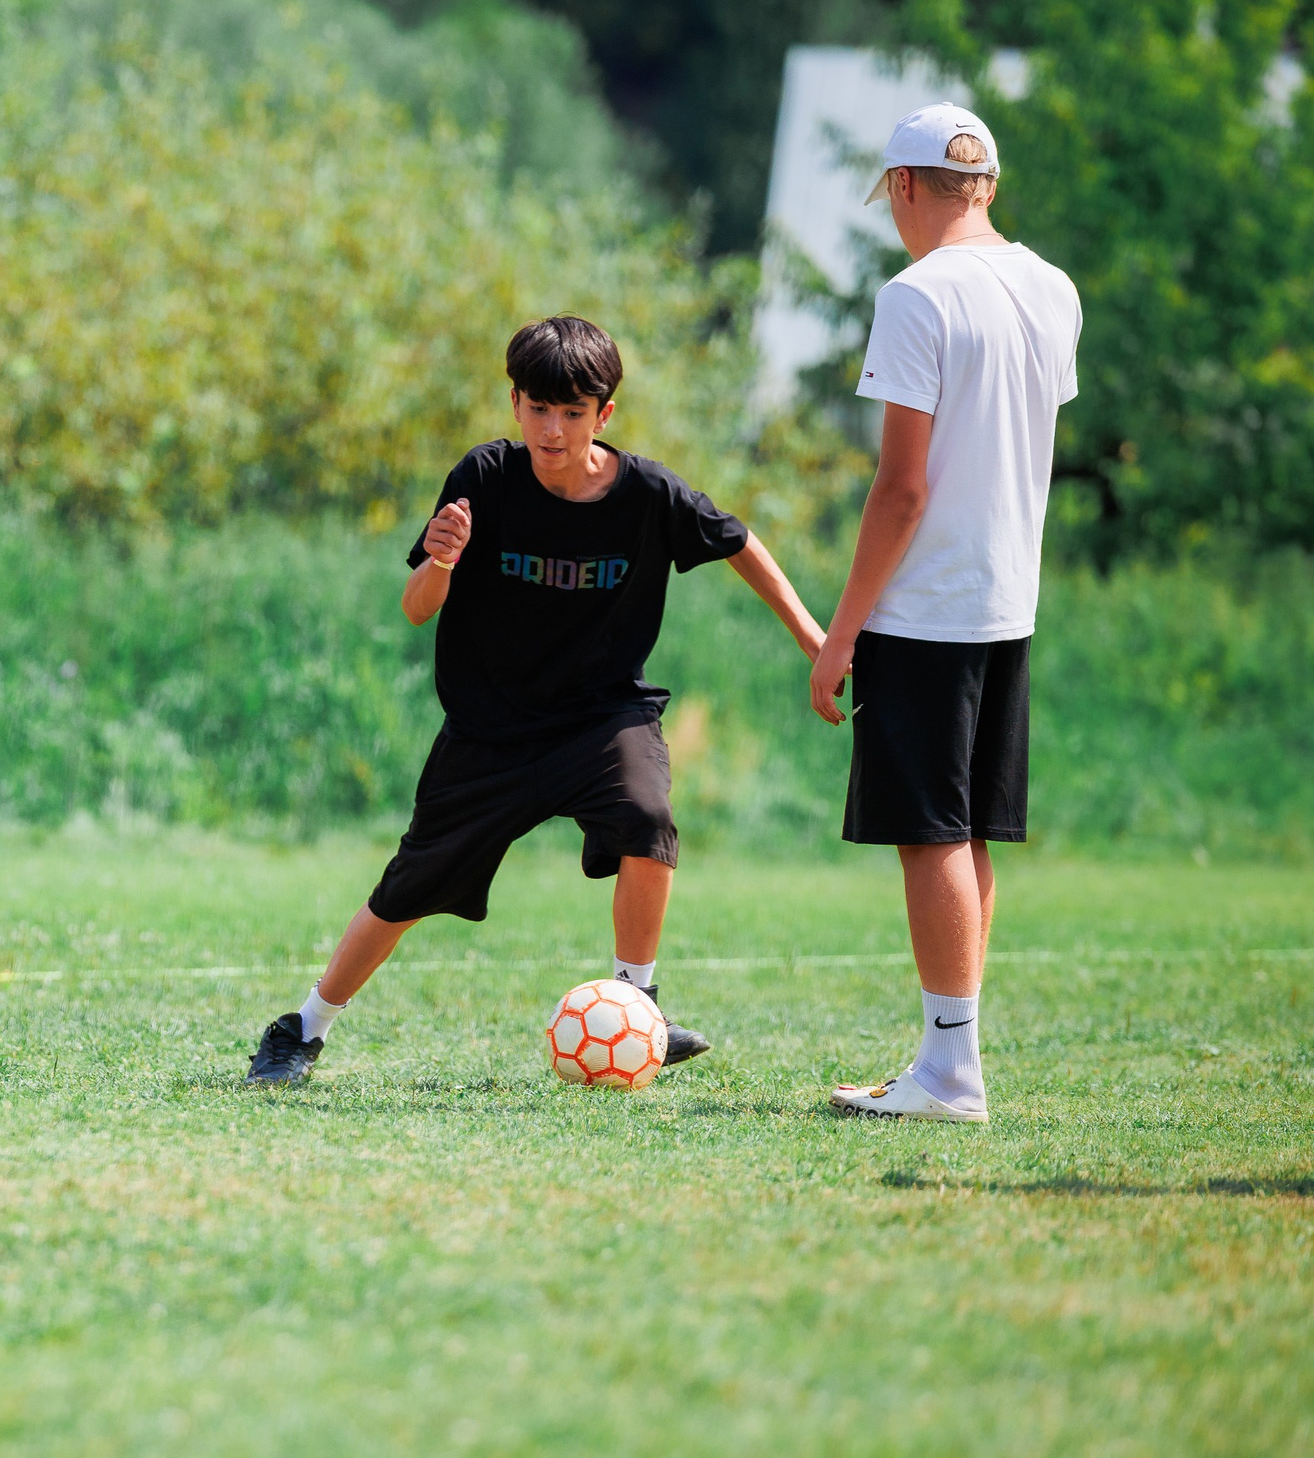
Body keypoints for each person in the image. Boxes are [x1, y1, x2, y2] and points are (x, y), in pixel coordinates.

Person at [246, 316, 826, 1086]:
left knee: (646, 817)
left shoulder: (649, 493)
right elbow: (418, 606)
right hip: (492, 730)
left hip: (602, 716)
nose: (553, 431)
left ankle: (638, 1005)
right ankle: (300, 1030)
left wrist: (815, 639)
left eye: (574, 413)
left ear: (605, 414)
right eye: (538, 409)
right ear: (515, 402)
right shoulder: (483, 479)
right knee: (408, 888)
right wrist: (444, 559)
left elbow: (740, 543)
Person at [813, 104, 1081, 1124]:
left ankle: (949, 1076)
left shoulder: (914, 295)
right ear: (989, 187)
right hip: (1007, 600)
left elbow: (902, 490)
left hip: (925, 608)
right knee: (966, 833)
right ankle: (948, 1059)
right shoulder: (1052, 289)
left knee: (928, 835)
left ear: (906, 189)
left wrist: (841, 631)